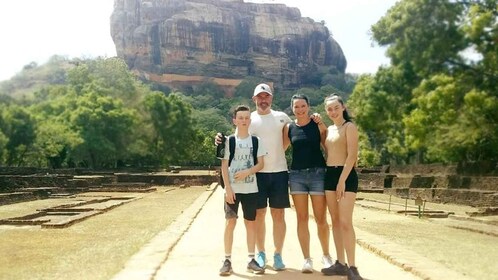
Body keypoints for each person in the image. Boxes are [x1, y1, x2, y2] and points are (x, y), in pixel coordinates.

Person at [216, 83, 291, 271]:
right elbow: (234, 141)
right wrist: (218, 138)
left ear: (271, 98)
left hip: (279, 171)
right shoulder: (250, 119)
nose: (263, 100)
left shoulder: (281, 117)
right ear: (254, 99)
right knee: (259, 214)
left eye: (267, 96)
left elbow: (292, 133)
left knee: (279, 214)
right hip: (257, 175)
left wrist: (277, 152)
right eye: (260, 97)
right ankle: (260, 253)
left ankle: (278, 254)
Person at [282, 94, 334, 273]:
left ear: (309, 106)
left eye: (303, 106)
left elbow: (328, 145)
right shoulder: (289, 128)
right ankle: (306, 258)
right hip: (296, 175)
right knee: (302, 218)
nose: (300, 109)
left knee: (321, 219)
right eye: (296, 107)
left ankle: (326, 256)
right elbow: (279, 149)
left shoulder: (316, 124)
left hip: (318, 174)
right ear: (292, 109)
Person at [219, 105, 267, 276]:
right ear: (234, 120)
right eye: (240, 118)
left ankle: (251, 259)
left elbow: (261, 164)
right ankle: (227, 260)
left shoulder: (256, 141)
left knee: (250, 223)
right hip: (233, 189)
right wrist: (228, 188)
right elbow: (224, 166)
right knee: (230, 222)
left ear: (250, 120)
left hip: (251, 188)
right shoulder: (229, 141)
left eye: (247, 118)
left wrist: (247, 171)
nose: (244, 121)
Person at [320, 94, 363, 280]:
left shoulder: (349, 127)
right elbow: (328, 149)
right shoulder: (329, 129)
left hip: (345, 176)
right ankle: (340, 263)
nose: (333, 111)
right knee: (335, 220)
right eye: (329, 109)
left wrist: (342, 180)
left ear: (343, 107)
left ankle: (353, 267)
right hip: (330, 174)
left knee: (346, 222)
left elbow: (352, 156)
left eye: (336, 107)